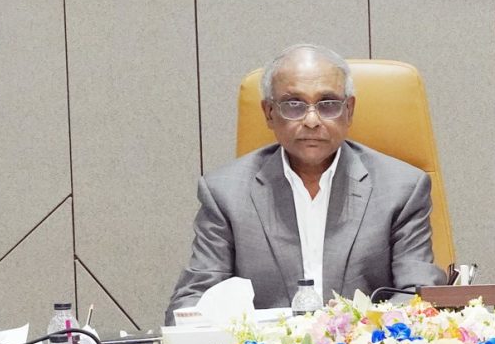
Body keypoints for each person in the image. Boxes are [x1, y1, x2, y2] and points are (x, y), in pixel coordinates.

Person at [170, 44, 445, 319]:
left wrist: (357, 334)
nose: (312, 120)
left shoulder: (401, 189)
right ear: (269, 113)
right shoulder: (225, 193)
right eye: (294, 104)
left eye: (328, 104)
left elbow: (417, 296)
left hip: (365, 343)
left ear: (349, 110)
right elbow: (192, 302)